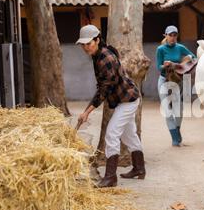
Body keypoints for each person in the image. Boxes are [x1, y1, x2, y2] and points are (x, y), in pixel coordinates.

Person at [76, 25, 146, 188]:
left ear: (97, 40)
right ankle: (139, 169)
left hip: (128, 100)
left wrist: (87, 112)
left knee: (112, 134)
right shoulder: (97, 55)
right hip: (124, 99)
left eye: (89, 43)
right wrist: (87, 111)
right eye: (83, 44)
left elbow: (104, 90)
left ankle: (110, 177)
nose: (86, 47)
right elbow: (102, 86)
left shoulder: (105, 58)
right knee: (129, 136)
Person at [156, 25, 196, 147]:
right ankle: (174, 138)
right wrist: (166, 65)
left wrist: (182, 64)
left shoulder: (180, 48)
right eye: (170, 35)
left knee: (178, 111)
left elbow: (194, 58)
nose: (172, 37)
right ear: (165, 36)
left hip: (176, 82)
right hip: (164, 81)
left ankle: (177, 130)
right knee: (168, 112)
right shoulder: (161, 49)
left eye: (175, 35)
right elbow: (159, 67)